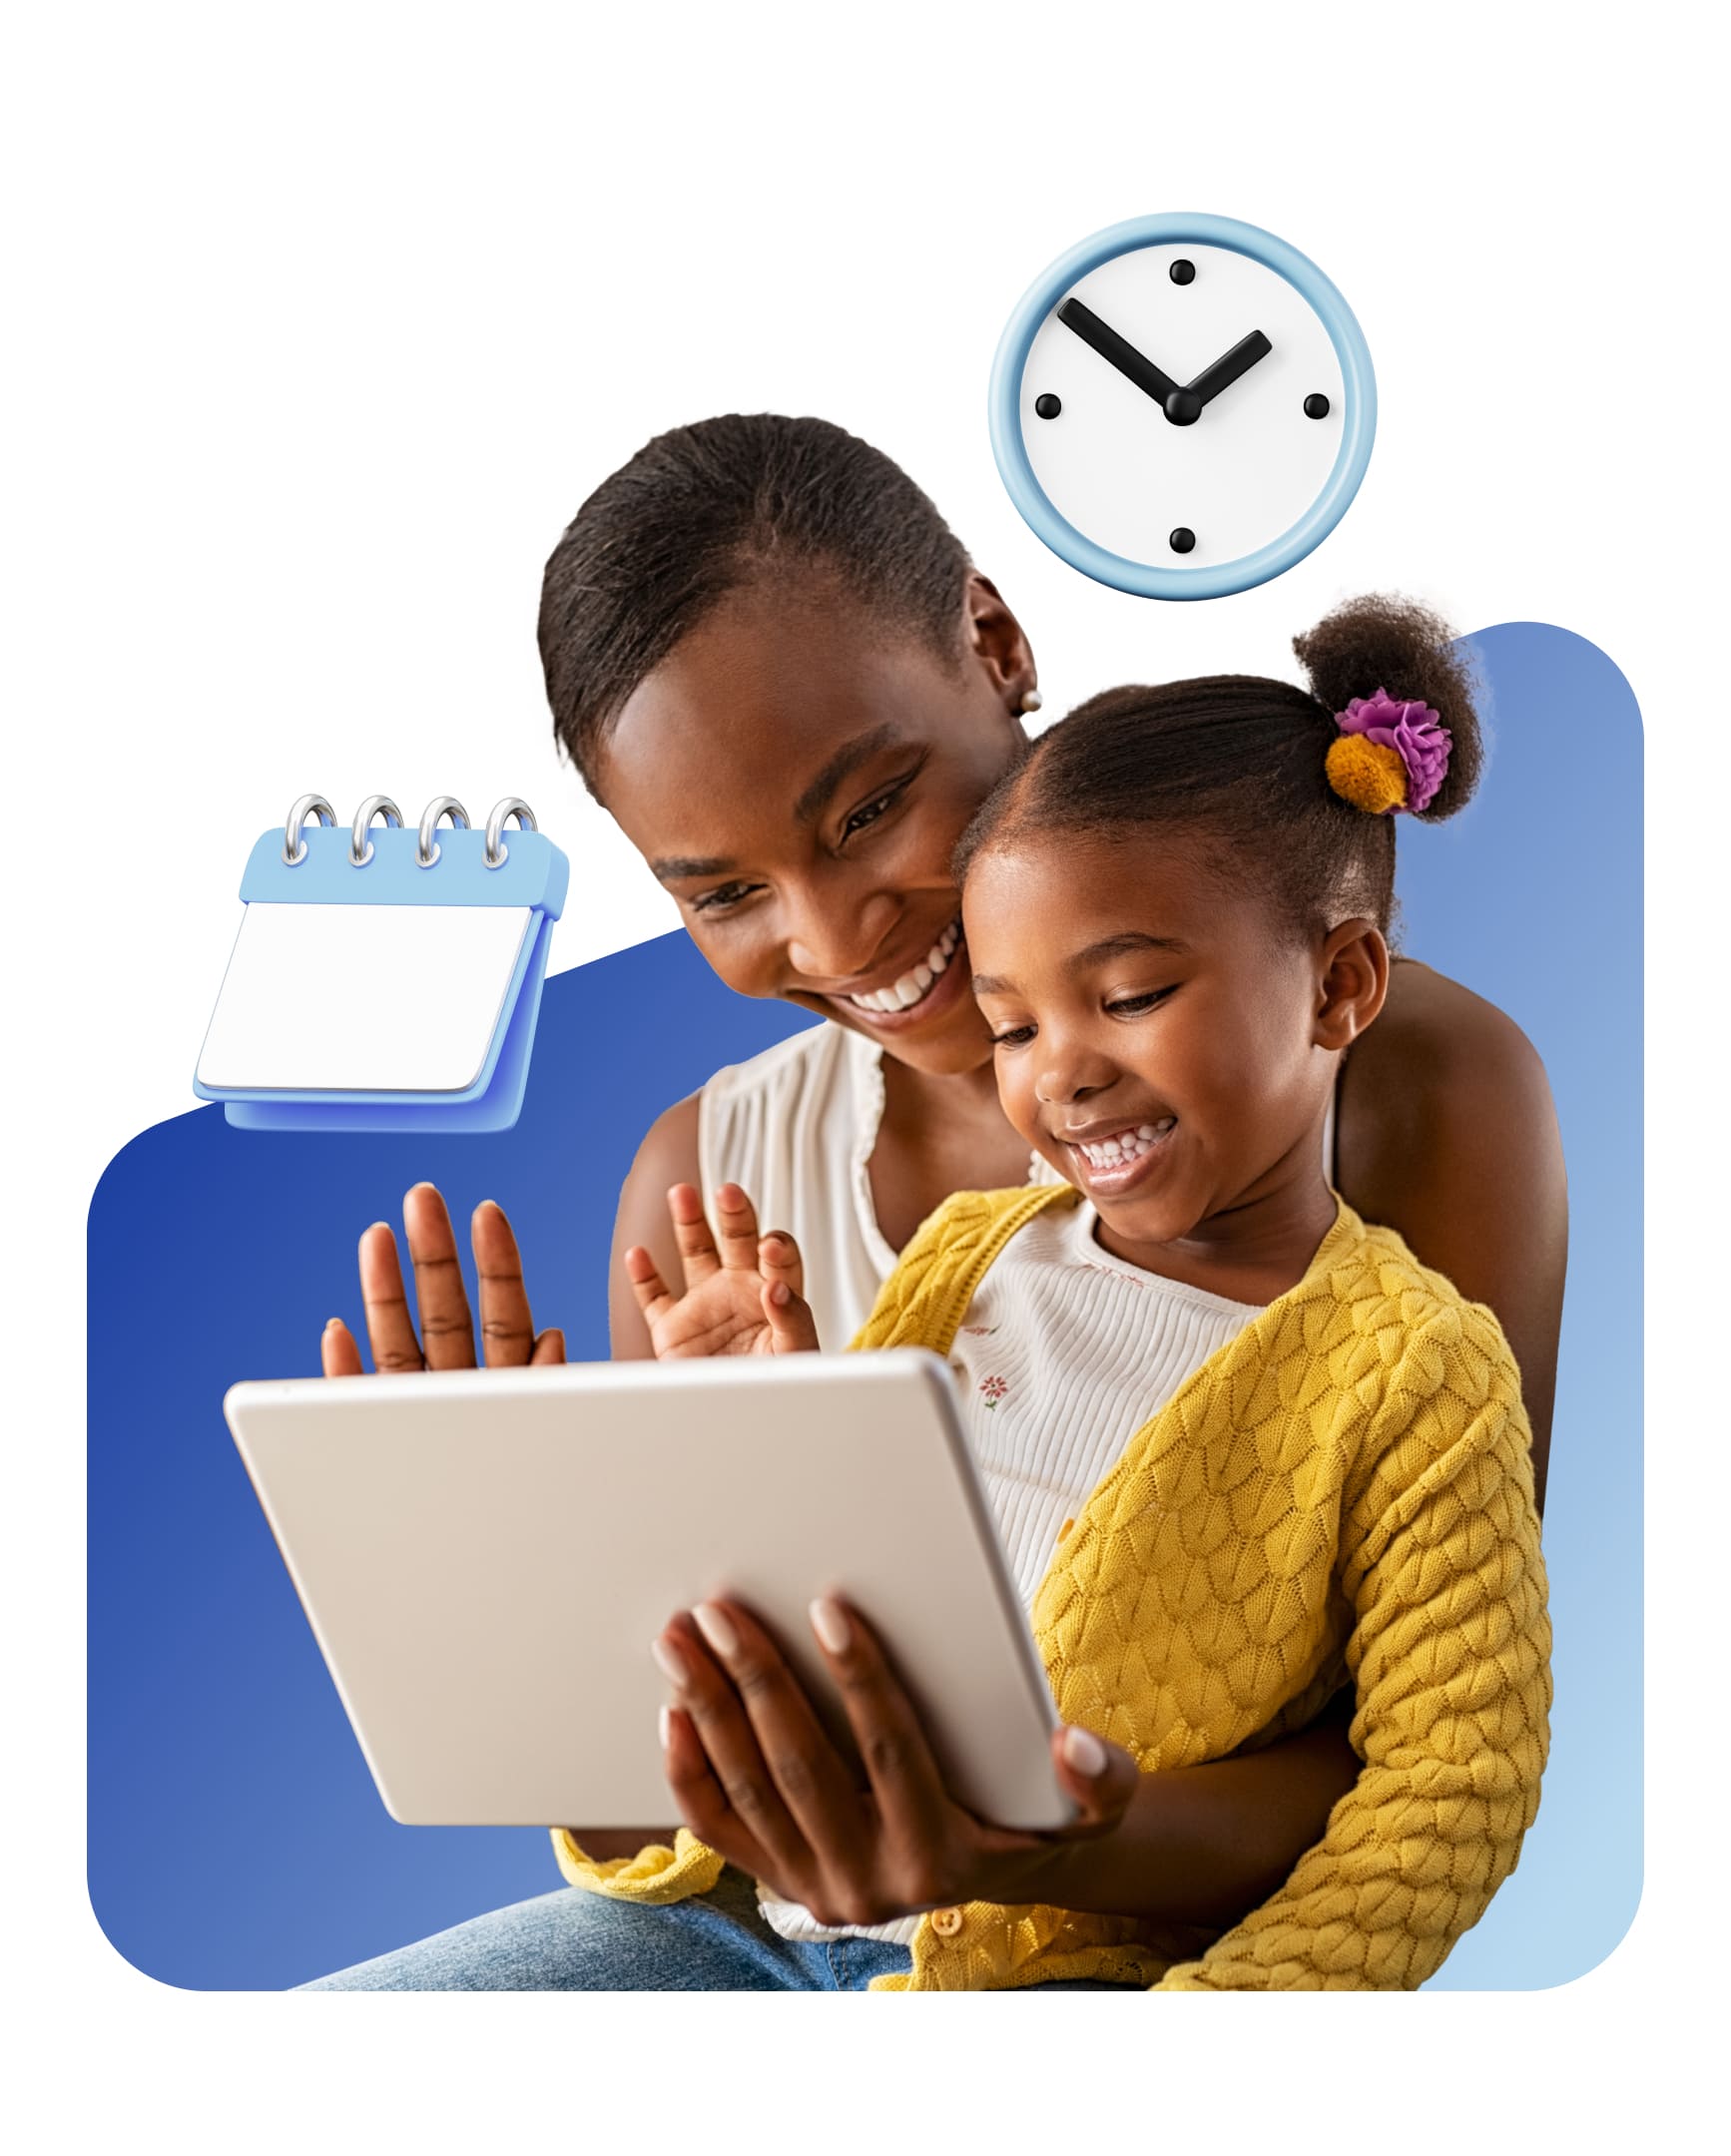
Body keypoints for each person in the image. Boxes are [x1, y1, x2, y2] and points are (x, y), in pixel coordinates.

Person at [310, 417, 1565, 1989]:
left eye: (866, 807)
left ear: (992, 643)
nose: (836, 936)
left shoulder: (1407, 1082)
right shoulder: (707, 1188)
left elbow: (1419, 1743)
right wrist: (518, 1615)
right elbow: (680, 1824)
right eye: (721, 892)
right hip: (736, 1942)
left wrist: (1031, 1836)